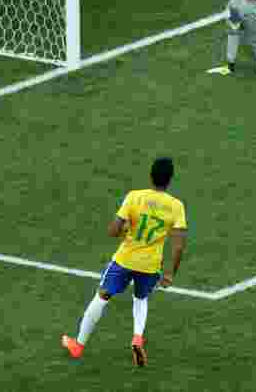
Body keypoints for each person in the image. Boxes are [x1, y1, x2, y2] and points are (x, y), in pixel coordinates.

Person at [61, 157, 188, 367]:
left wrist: (126, 229)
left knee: (102, 296)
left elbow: (112, 231)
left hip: (125, 260)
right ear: (170, 180)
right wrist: (170, 273)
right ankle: (137, 338)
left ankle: (78, 345)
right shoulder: (176, 206)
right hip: (150, 265)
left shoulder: (134, 197)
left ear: (150, 176)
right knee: (141, 298)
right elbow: (179, 245)